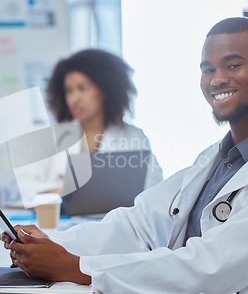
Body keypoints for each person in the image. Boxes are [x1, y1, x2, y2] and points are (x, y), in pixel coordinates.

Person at [1, 17, 248, 294]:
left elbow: (210, 268)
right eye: (207, 69)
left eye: (232, 65)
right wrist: (49, 243)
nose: (216, 79)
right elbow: (138, 225)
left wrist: (78, 268)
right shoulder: (215, 160)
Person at [11, 48, 163, 207]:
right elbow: (19, 190)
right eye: (68, 90)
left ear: (105, 89)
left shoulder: (133, 137)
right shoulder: (51, 138)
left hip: (115, 226)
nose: (74, 99)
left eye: (82, 88)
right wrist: (61, 193)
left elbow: (155, 190)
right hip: (59, 228)